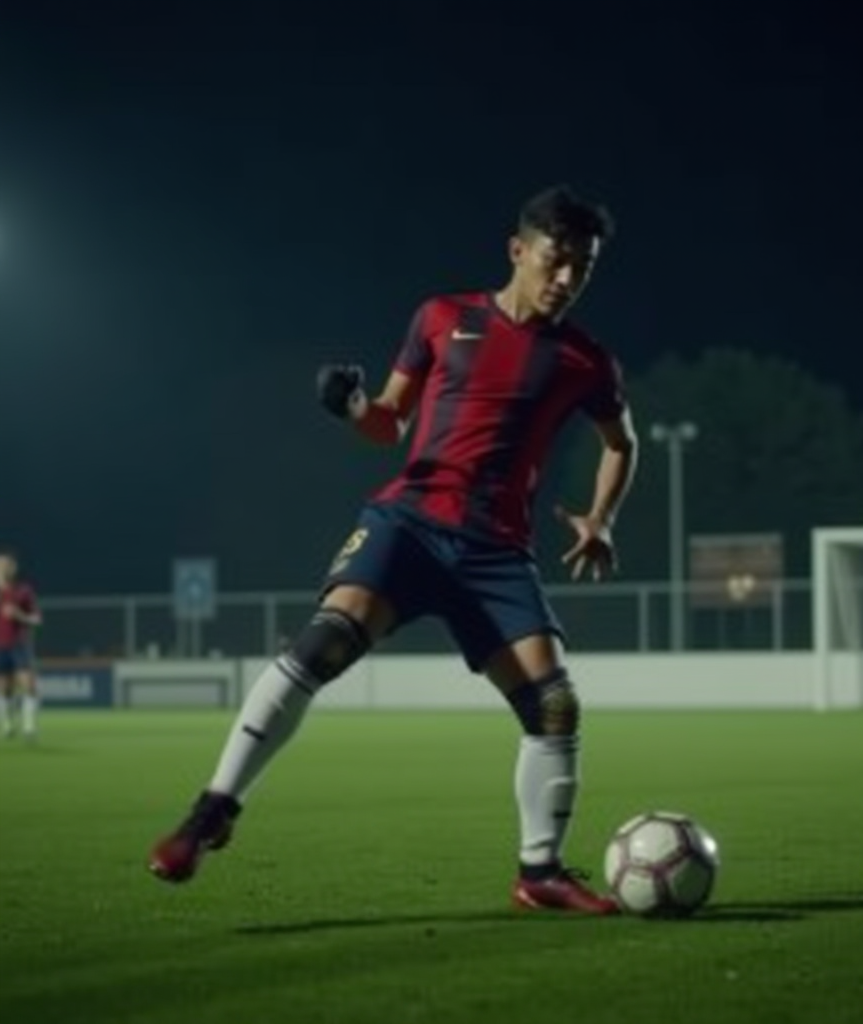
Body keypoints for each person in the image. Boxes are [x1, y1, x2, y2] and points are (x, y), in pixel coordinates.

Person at [149, 185, 638, 914]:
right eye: (556, 260)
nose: (567, 279)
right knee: (322, 646)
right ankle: (212, 811)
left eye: (584, 269)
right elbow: (389, 423)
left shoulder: (585, 360)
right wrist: (352, 408)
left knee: (556, 705)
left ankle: (540, 874)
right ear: (518, 251)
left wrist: (600, 518)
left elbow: (621, 443)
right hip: (408, 526)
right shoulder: (443, 318)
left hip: (497, 552)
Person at [0, 550, 43, 741]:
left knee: (29, 685)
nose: (5, 567)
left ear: (14, 568)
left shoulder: (23, 591)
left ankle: (29, 728)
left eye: (9, 564)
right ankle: (8, 724)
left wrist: (20, 616)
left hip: (19, 645)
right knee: (5, 688)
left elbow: (37, 619)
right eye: (2, 564)